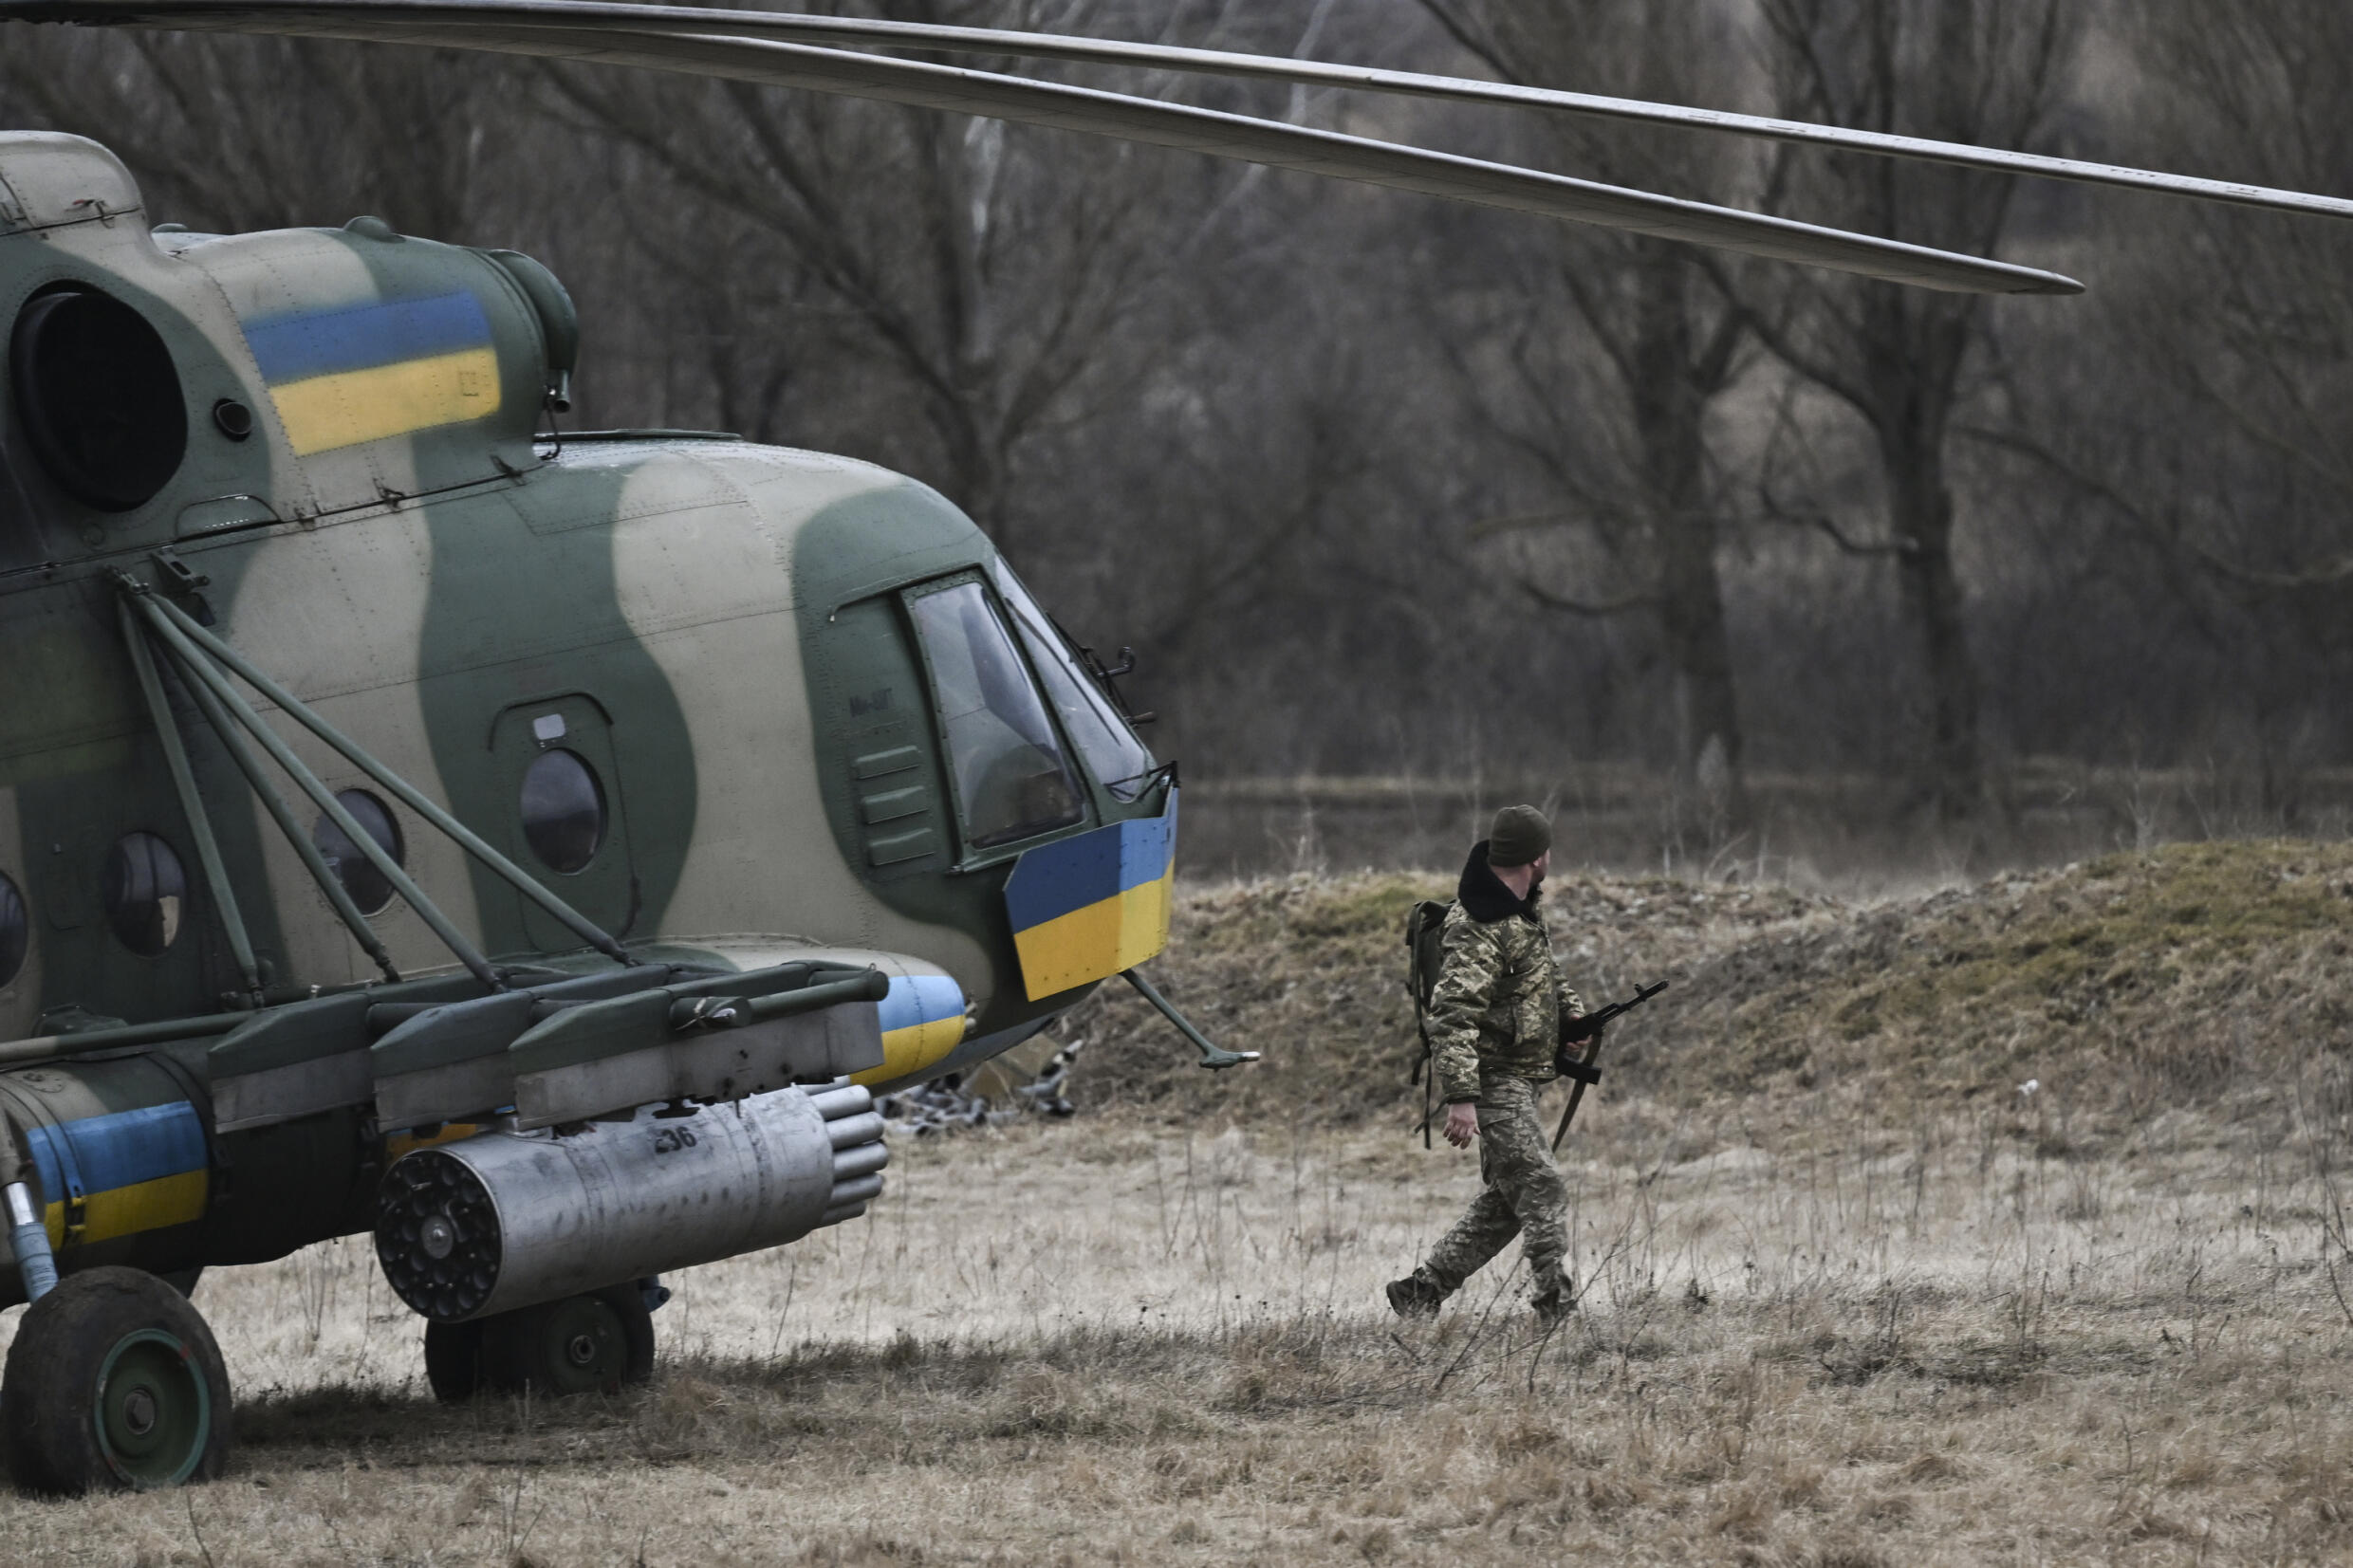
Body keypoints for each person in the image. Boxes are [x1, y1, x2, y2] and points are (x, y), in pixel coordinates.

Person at [1387, 804, 1584, 1324]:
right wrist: (1462, 1097)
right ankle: (1554, 1309)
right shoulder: (1479, 923)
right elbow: (1452, 1015)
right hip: (1492, 1079)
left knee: (1507, 1200)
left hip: (1517, 1076)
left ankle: (1421, 1291)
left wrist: (1572, 1015)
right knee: (1541, 1186)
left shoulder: (1519, 909)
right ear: (1537, 857)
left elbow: (1540, 974)